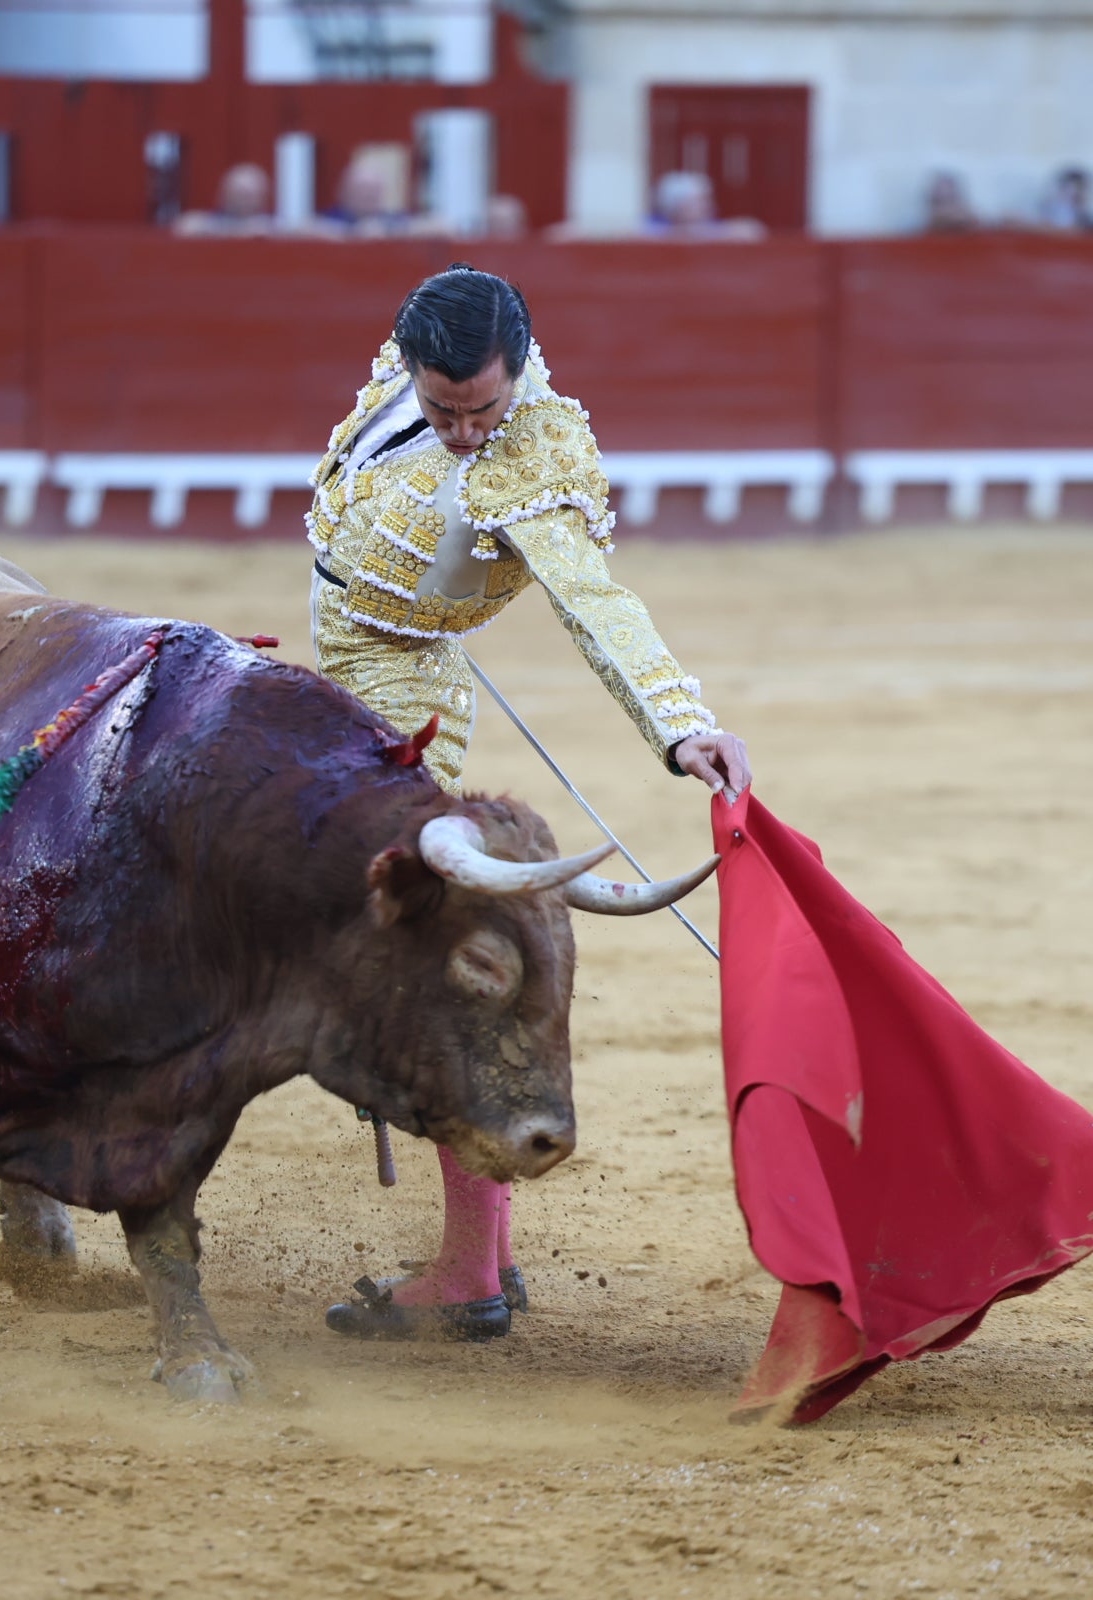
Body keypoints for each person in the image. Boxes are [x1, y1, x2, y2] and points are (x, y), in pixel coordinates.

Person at [305, 266, 752, 1341]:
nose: (464, 433)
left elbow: (596, 605)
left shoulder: (538, 460)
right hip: (353, 651)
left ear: (521, 376)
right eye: (443, 409)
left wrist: (679, 721)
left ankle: (469, 1267)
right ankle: (480, 1260)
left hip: (399, 684)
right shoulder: (429, 350)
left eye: (484, 411)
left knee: (406, 955)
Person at [645, 169, 764, 239]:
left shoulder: (708, 225)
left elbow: (753, 229)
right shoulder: (654, 223)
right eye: (700, 200)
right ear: (677, 204)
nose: (708, 205)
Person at [174, 162, 271, 236]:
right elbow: (185, 226)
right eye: (238, 193)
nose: (243, 201)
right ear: (224, 193)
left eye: (249, 195)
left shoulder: (273, 226)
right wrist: (240, 231)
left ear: (263, 195)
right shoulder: (210, 222)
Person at [1039, 164, 1093, 232]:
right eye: (1071, 190)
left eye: (1080, 189)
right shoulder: (1048, 211)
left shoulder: (1086, 217)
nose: (1076, 194)